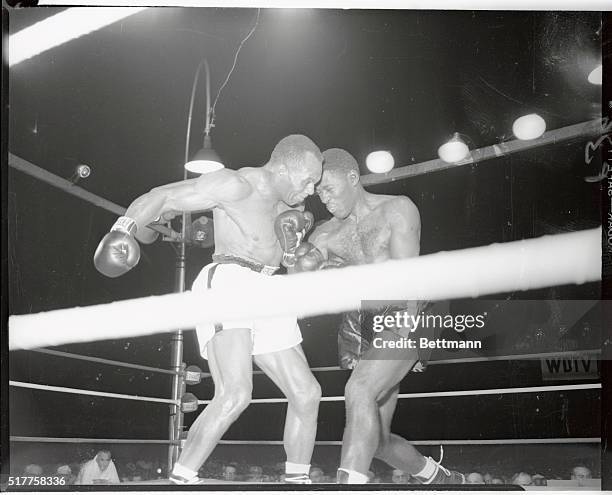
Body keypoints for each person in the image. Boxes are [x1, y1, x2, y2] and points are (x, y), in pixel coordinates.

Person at [94, 135, 323, 484]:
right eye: (308, 179)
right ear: (285, 166)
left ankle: (297, 481)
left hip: (270, 288)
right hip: (230, 280)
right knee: (235, 394)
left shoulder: (287, 211)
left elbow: (287, 262)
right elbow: (164, 196)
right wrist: (123, 228)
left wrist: (301, 259)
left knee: (307, 393)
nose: (311, 189)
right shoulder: (237, 184)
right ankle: (181, 479)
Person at [295, 148, 465, 484]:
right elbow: (299, 291)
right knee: (379, 441)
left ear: (353, 178)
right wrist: (294, 254)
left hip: (410, 307)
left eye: (329, 188)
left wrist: (410, 332)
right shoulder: (326, 234)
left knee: (359, 390)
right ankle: (443, 479)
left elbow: (409, 276)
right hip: (362, 322)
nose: (325, 199)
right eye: (319, 193)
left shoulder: (396, 209)